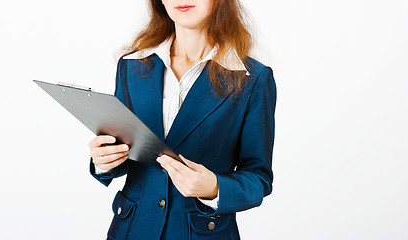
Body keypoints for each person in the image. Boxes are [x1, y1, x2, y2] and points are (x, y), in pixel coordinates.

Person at [88, 0, 276, 239]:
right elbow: (125, 150)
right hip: (132, 230)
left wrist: (215, 187)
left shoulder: (253, 79)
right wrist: (105, 160)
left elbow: (258, 177)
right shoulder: (132, 65)